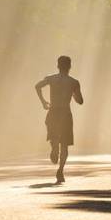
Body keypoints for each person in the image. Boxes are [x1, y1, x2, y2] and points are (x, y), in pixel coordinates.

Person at [34, 55, 83, 183]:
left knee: (53, 135)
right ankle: (60, 170)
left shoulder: (51, 78)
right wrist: (72, 92)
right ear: (70, 67)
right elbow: (80, 101)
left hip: (53, 111)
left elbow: (37, 86)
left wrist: (43, 102)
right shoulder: (73, 82)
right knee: (65, 145)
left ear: (58, 65)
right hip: (65, 113)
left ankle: (54, 147)